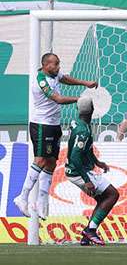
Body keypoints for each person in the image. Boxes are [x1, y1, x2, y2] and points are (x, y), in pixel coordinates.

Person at [14, 53, 97, 219]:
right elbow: (58, 99)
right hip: (41, 124)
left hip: (54, 124)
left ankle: (42, 200)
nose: (58, 67)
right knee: (40, 160)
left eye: (59, 63)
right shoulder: (41, 80)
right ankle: (22, 197)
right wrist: (79, 99)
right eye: (55, 64)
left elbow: (64, 78)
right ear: (46, 65)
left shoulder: (54, 74)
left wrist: (85, 83)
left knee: (51, 162)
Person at [65, 96, 120, 246]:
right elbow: (76, 156)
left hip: (76, 169)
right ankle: (90, 230)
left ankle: (87, 234)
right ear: (93, 110)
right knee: (113, 194)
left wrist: (97, 162)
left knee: (103, 199)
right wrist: (87, 181)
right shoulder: (84, 130)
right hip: (78, 171)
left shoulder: (77, 123)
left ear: (78, 110)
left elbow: (85, 149)